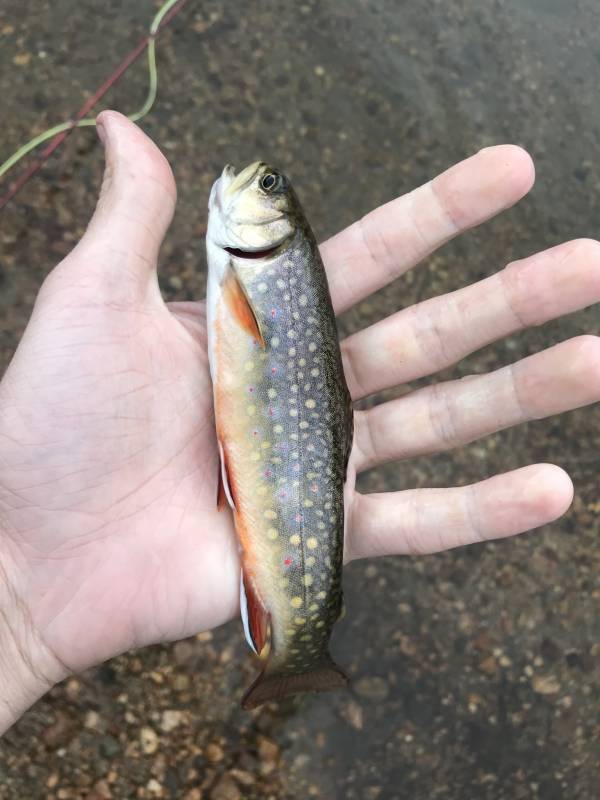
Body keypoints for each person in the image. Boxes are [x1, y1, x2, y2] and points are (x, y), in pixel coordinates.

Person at [0, 111, 598, 735]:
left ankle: (296, 646)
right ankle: (296, 646)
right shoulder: (257, 264)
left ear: (280, 228)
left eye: (268, 189)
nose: (259, 184)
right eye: (270, 187)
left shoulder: (255, 265)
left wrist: (18, 601)